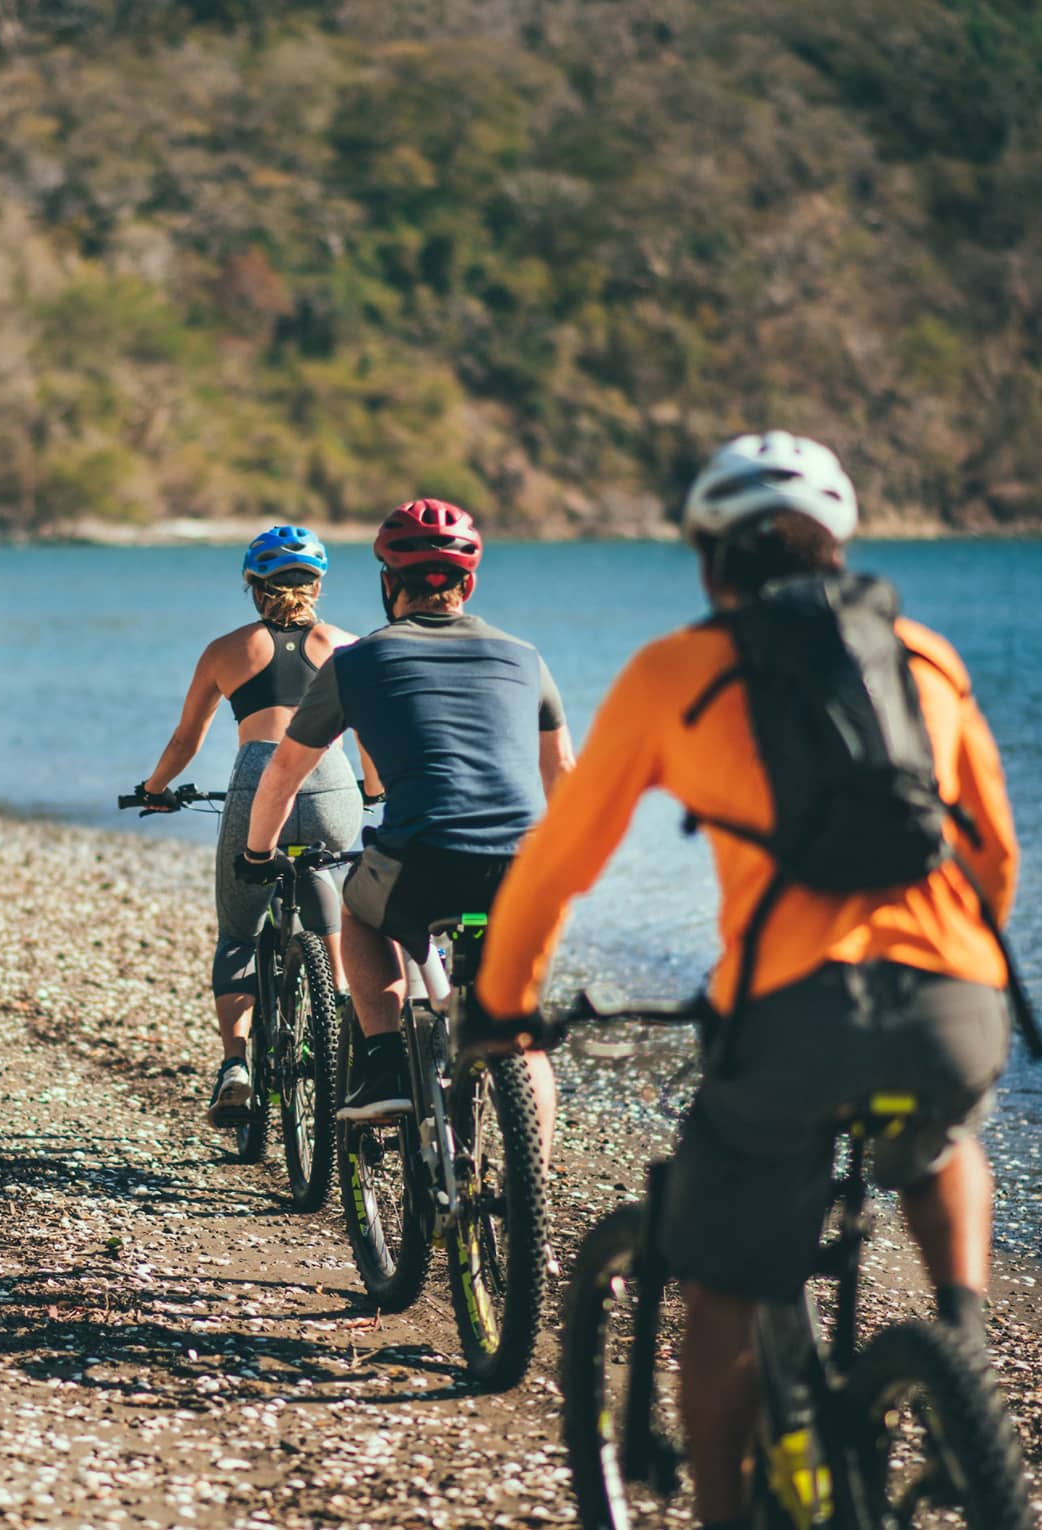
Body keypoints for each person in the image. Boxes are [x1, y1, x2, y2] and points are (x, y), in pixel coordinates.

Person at [474, 433, 1019, 1530]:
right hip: (957, 995)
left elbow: (556, 861)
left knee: (727, 1282)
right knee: (941, 1136)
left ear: (711, 558)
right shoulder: (925, 657)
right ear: (839, 543)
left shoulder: (681, 669)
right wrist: (949, 975)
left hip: (796, 1012)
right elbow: (994, 855)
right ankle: (960, 1356)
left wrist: (501, 1008)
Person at [237, 499, 576, 1143]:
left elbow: (283, 774)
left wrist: (256, 856)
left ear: (388, 584)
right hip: (527, 869)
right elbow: (565, 777)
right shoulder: (525, 658)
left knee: (359, 907)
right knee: (519, 1031)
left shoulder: (357, 662)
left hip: (424, 859)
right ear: (468, 585)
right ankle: (530, 1220)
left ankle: (385, 1063)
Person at [137, 526, 379, 1125]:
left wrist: (154, 790)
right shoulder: (351, 647)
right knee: (330, 911)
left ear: (252, 586)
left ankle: (237, 1064)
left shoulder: (225, 650)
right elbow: (367, 736)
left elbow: (185, 739)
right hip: (328, 784)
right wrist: (372, 790)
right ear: (317, 585)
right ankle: (343, 1039)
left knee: (240, 932)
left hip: (254, 782)